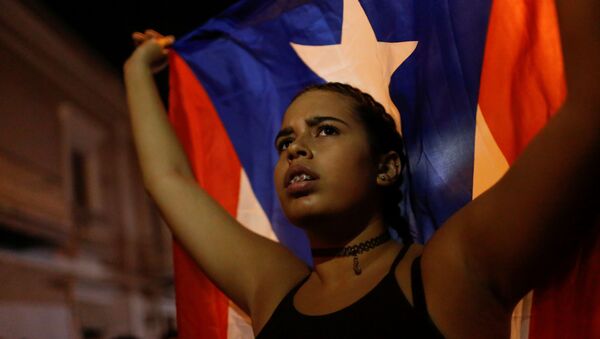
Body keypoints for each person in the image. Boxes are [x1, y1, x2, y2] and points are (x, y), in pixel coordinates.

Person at [123, 1, 599, 337]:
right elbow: (169, 181)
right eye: (285, 140)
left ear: (387, 167)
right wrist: (137, 73)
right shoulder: (271, 288)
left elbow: (588, 115)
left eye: (325, 130)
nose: (296, 150)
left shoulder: (454, 270)